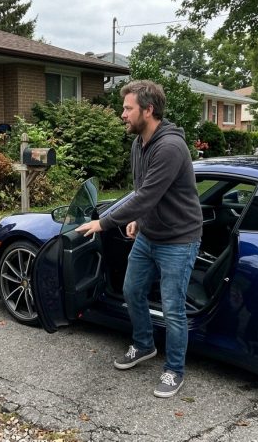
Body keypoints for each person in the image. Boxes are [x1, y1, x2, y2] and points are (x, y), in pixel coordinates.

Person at [75, 80, 202, 398]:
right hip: (150, 234)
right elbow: (141, 192)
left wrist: (103, 223)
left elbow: (147, 195)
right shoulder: (139, 145)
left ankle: (175, 371)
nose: (122, 114)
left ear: (148, 110)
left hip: (179, 239)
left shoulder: (171, 147)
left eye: (128, 108)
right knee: (132, 290)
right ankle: (145, 344)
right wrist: (136, 219)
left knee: (173, 308)